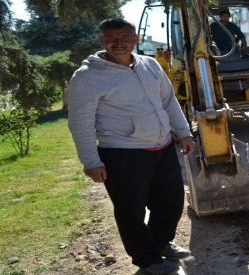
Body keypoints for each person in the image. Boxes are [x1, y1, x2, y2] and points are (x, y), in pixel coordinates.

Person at [67, 18, 195, 275]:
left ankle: (160, 243)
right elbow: (80, 122)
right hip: (122, 153)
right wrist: (91, 161)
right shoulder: (87, 77)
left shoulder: (149, 65)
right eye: (111, 38)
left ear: (135, 39)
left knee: (170, 202)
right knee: (130, 211)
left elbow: (169, 101)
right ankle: (147, 259)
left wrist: (184, 132)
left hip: (162, 146)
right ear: (102, 41)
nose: (118, 43)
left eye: (124, 38)